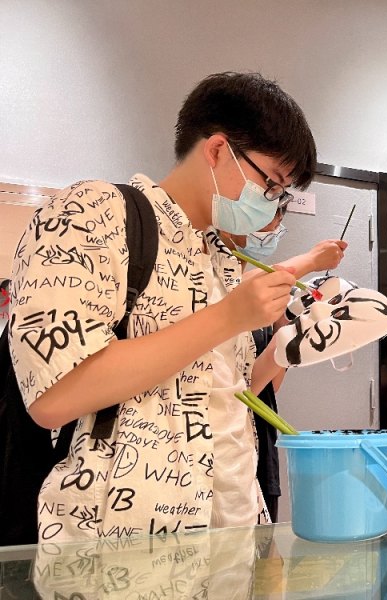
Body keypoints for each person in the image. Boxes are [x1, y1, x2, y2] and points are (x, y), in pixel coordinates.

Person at [8, 71, 315, 541]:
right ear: (218, 150)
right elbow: (55, 396)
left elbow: (225, 397)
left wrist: (288, 345)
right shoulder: (94, 212)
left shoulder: (221, 258)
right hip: (116, 550)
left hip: (232, 539)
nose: (270, 203)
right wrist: (228, 317)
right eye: (270, 184)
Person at [220, 205, 348, 522]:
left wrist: (286, 329)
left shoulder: (264, 298)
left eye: (278, 223)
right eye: (269, 220)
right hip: (220, 446)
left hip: (257, 440)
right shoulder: (217, 285)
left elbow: (263, 386)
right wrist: (312, 260)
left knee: (263, 545)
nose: (273, 231)